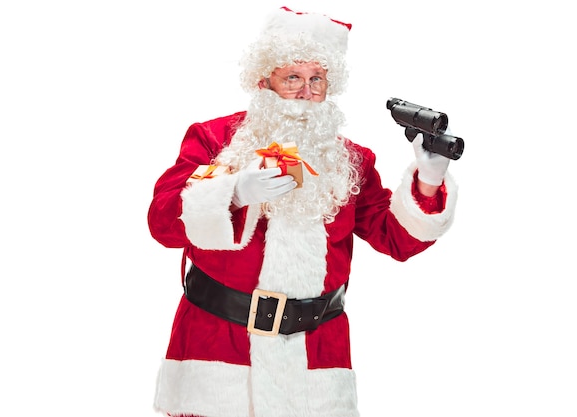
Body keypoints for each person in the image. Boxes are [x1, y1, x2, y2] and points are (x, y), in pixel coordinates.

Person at [147, 6, 458, 417]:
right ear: (264, 81)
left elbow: (396, 239)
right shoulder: (214, 138)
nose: (306, 91)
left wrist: (429, 179)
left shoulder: (351, 159)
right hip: (219, 352)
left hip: (317, 359)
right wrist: (234, 192)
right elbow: (162, 222)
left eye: (317, 79)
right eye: (292, 77)